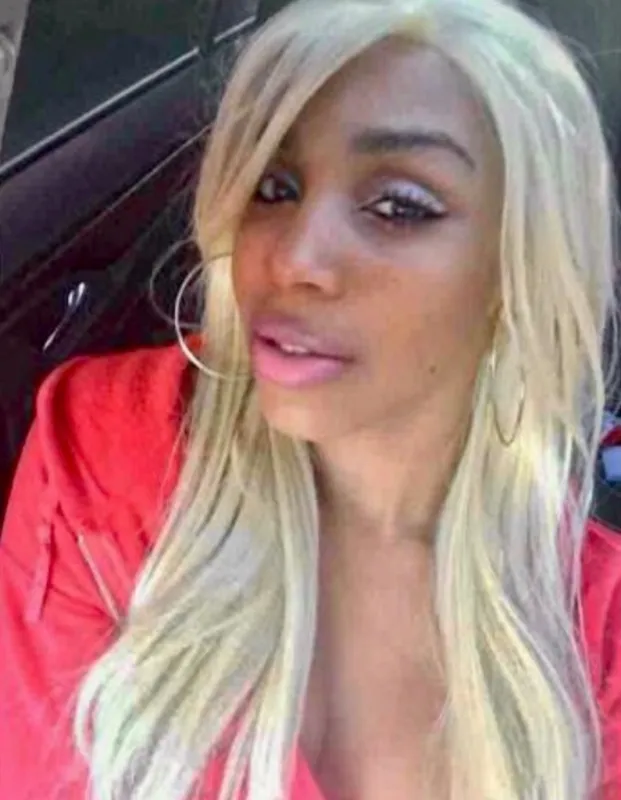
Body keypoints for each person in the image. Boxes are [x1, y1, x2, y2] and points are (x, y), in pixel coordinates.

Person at [1, 0, 620, 797]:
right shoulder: (109, 459)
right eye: (274, 186)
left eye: (398, 206)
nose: (294, 257)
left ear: (514, 271)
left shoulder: (595, 639)